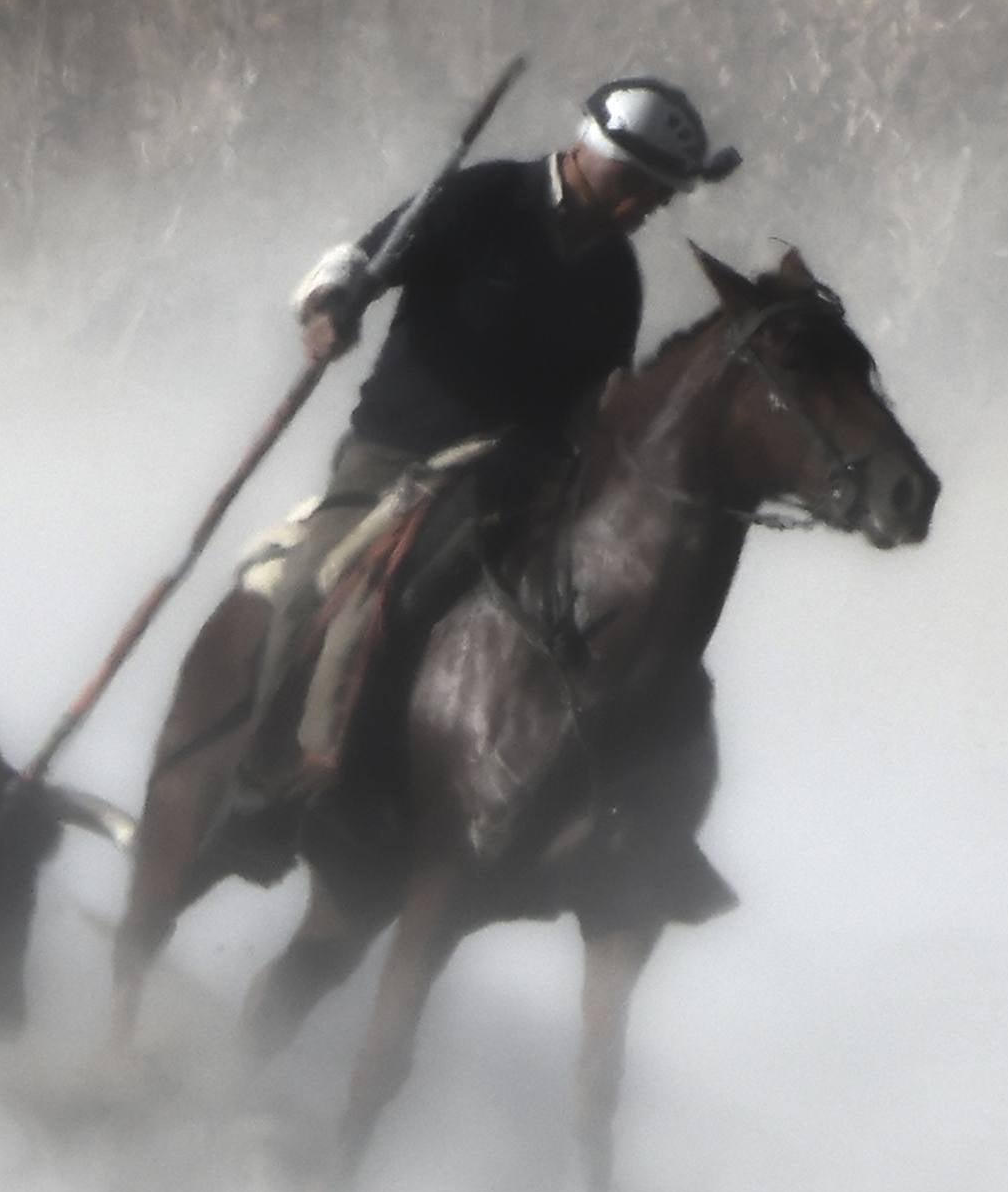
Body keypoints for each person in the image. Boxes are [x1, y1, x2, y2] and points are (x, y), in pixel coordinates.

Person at [234, 76, 743, 810]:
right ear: (587, 153)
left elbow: (592, 404)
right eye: (636, 186)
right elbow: (357, 263)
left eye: (657, 199)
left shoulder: (614, 277)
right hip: (397, 458)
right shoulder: (485, 200)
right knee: (315, 587)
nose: (642, 209)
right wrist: (329, 311)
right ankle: (263, 778)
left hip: (520, 480)